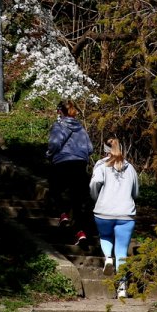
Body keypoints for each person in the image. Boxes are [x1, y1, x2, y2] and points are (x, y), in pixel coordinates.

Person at [89, 138, 139, 298]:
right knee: (122, 252)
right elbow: (136, 192)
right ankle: (122, 288)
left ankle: (108, 258)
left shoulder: (101, 165)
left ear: (105, 150)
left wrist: (97, 198)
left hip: (104, 212)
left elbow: (95, 183)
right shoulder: (130, 167)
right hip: (126, 214)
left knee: (105, 236)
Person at [45, 101, 93, 246]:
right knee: (77, 200)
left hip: (63, 163)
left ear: (61, 112)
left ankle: (63, 214)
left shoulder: (58, 126)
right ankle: (81, 233)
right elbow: (90, 148)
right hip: (80, 165)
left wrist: (49, 154)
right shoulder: (81, 129)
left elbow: (54, 144)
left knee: (54, 190)